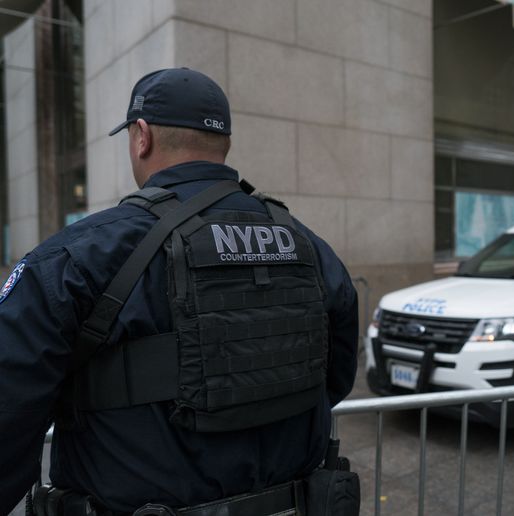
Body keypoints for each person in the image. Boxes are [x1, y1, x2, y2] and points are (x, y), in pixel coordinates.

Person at [0, 68, 359, 515]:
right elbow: (336, 378)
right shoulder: (312, 249)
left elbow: (8, 415)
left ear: (141, 137)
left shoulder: (74, 259)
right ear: (222, 144)